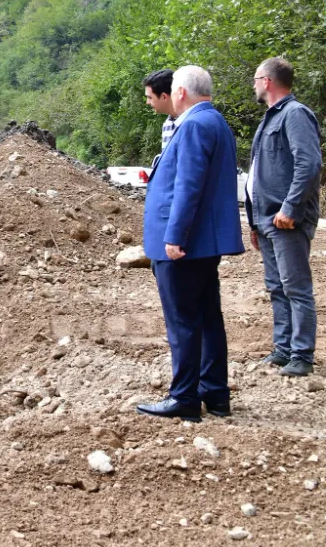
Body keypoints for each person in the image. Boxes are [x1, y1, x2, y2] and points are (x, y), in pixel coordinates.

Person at [137, 66, 245, 422]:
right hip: (202, 244)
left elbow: (188, 185)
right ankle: (214, 393)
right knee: (208, 318)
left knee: (183, 321)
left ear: (180, 92)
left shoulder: (195, 125)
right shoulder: (216, 122)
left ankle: (184, 396)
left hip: (185, 245)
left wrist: (174, 235)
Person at [246, 57, 322, 377]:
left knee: (295, 287)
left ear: (267, 81)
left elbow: (308, 164)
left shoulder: (295, 114)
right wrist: (254, 221)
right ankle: (284, 349)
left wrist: (290, 208)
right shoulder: (271, 118)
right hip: (267, 220)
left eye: (255, 79)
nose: (253, 85)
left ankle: (302, 355)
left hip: (286, 219)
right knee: (277, 287)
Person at [143, 69, 178, 160]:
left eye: (150, 97)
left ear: (164, 97)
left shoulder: (190, 123)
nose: (147, 102)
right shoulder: (167, 124)